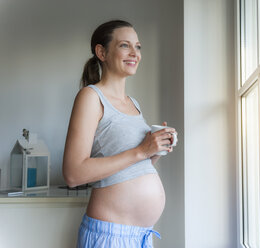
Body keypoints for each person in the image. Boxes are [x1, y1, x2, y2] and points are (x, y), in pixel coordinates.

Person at [62, 20, 177, 248]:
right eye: (125, 45)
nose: (135, 53)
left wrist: (155, 149)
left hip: (141, 236)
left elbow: (131, 166)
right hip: (111, 236)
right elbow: (73, 174)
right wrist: (141, 150)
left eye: (138, 46)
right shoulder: (91, 97)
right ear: (101, 52)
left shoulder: (134, 104)